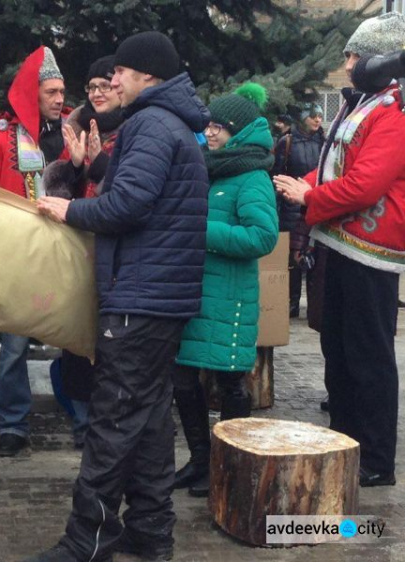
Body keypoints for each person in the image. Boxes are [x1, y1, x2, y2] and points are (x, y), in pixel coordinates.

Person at [30, 31, 210, 562]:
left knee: (111, 422)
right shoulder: (167, 124)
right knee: (148, 419)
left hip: (140, 298)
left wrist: (69, 210)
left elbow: (129, 204)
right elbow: (145, 194)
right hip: (158, 298)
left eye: (121, 74)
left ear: (147, 76)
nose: (113, 81)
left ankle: (87, 541)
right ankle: (151, 534)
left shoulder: (152, 123)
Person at [274, 12, 405, 488]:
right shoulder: (363, 105)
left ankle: (374, 459)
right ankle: (346, 440)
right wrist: (302, 184)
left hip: (370, 251)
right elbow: (335, 168)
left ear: (380, 58)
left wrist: (308, 196)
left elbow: (366, 184)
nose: (347, 64)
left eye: (353, 55)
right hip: (340, 244)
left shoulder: (393, 110)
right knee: (338, 349)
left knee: (368, 355)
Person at [171, 84, 279, 498]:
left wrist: (200, 232)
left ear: (237, 131)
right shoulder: (212, 167)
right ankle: (200, 459)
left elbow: (262, 236)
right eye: (209, 124)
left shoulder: (251, 176)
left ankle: (227, 464)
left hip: (229, 299)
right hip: (197, 295)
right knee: (182, 378)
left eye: (218, 126)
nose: (209, 132)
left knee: (230, 382)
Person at [0, 45, 68, 457]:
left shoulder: (72, 132)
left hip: (63, 254)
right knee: (13, 348)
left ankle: (83, 416)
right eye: (51, 92)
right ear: (32, 92)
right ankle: (12, 424)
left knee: (76, 338)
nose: (61, 99)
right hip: (17, 257)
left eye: (63, 91)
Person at [42, 55, 123, 448]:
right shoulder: (73, 125)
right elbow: (55, 192)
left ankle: (109, 422)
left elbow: (128, 194)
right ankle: (82, 421)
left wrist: (95, 165)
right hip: (78, 250)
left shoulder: (135, 125)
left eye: (103, 86)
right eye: (91, 87)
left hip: (118, 253)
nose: (96, 93)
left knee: (111, 343)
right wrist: (73, 166)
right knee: (76, 342)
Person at [272, 102, 325, 317]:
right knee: (292, 257)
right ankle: (292, 302)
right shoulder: (288, 142)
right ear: (303, 118)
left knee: (316, 256)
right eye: (313, 116)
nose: (317, 120)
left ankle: (316, 304)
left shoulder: (324, 141)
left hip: (316, 204)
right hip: (290, 207)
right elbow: (276, 173)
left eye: (320, 116)